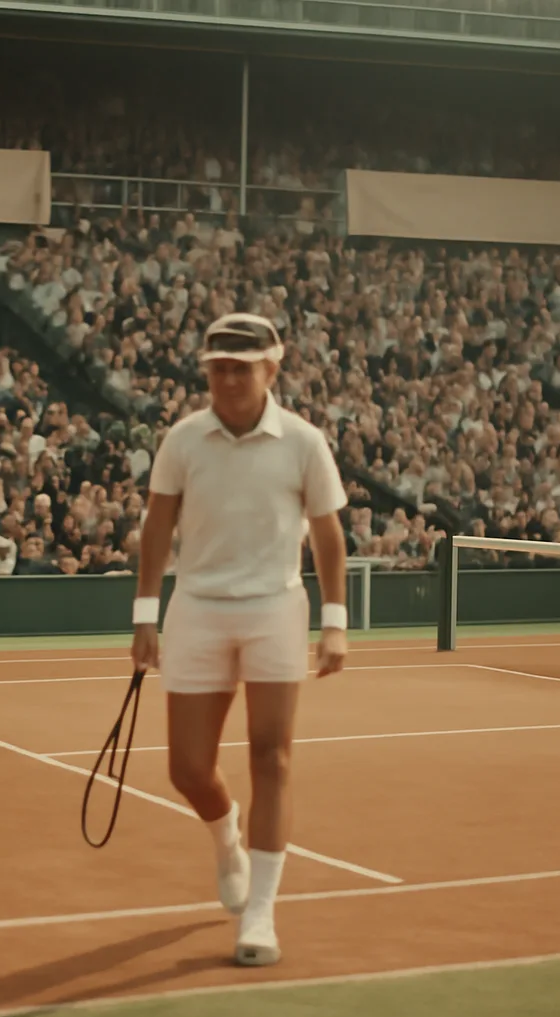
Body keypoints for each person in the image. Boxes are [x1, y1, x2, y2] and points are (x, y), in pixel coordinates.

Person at [131, 312, 348, 967]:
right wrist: (145, 613)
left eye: (241, 368)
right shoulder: (183, 439)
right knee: (188, 770)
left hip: (275, 609)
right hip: (196, 608)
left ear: (271, 371)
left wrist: (335, 622)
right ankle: (225, 833)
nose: (226, 380)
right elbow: (157, 525)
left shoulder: (305, 442)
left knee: (271, 760)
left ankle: (260, 915)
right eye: (217, 368)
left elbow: (329, 535)